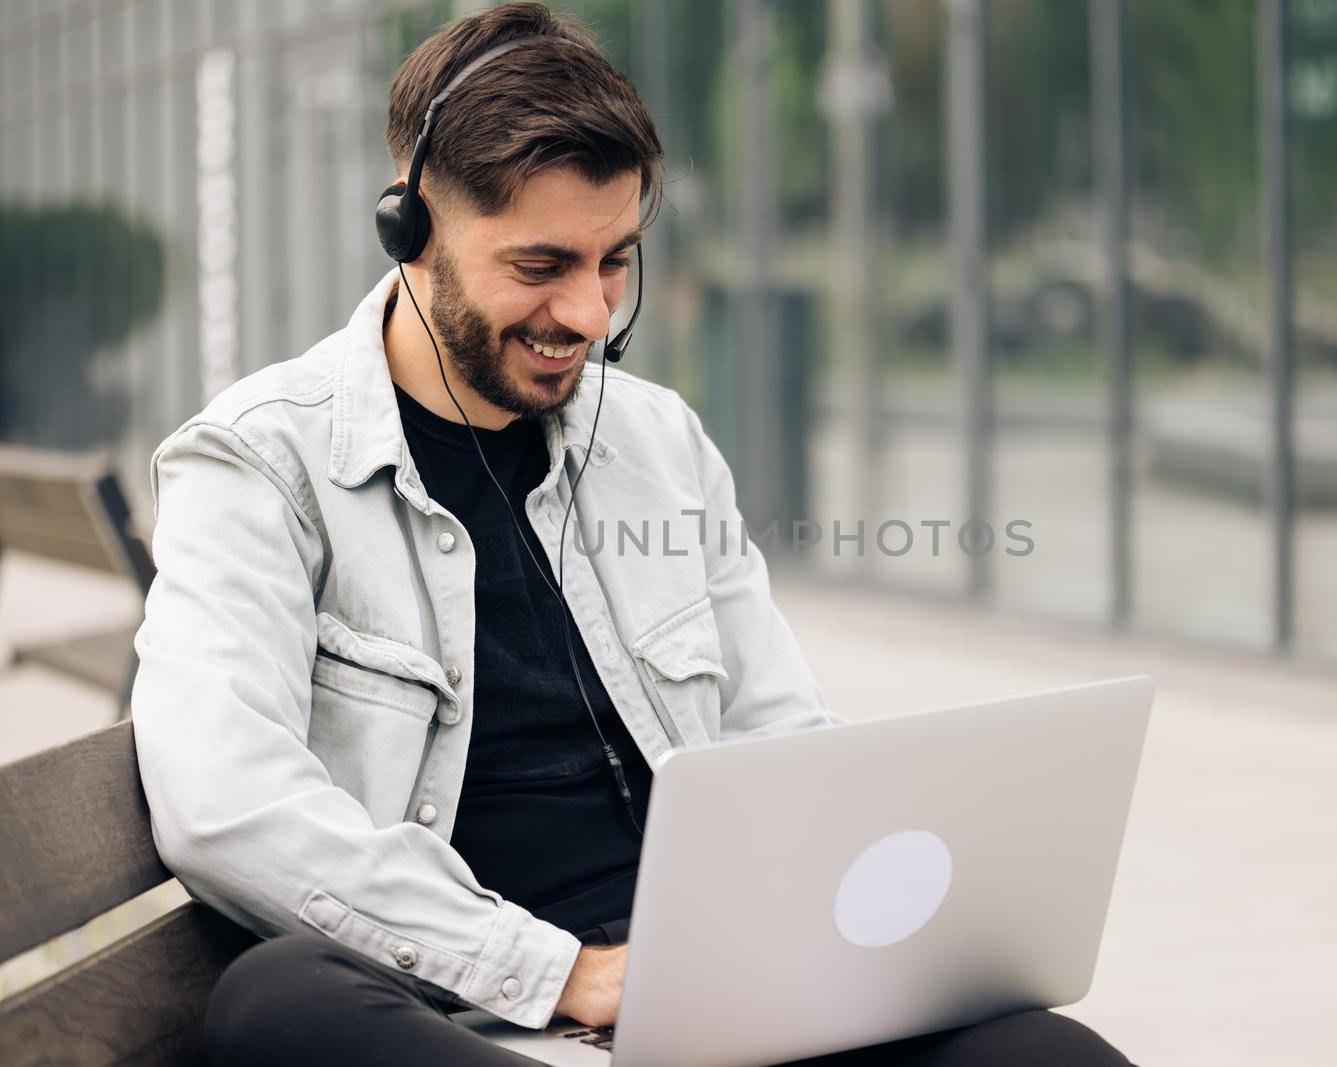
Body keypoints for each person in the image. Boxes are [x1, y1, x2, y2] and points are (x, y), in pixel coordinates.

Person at [131, 4, 1134, 1064]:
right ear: (412, 227)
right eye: (541, 265)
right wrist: (559, 971)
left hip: (725, 997)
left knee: (1047, 1050)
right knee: (278, 998)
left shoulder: (658, 440)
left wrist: (871, 934)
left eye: (615, 260)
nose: (590, 313)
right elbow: (224, 800)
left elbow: (780, 731)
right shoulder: (258, 464)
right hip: (479, 1014)